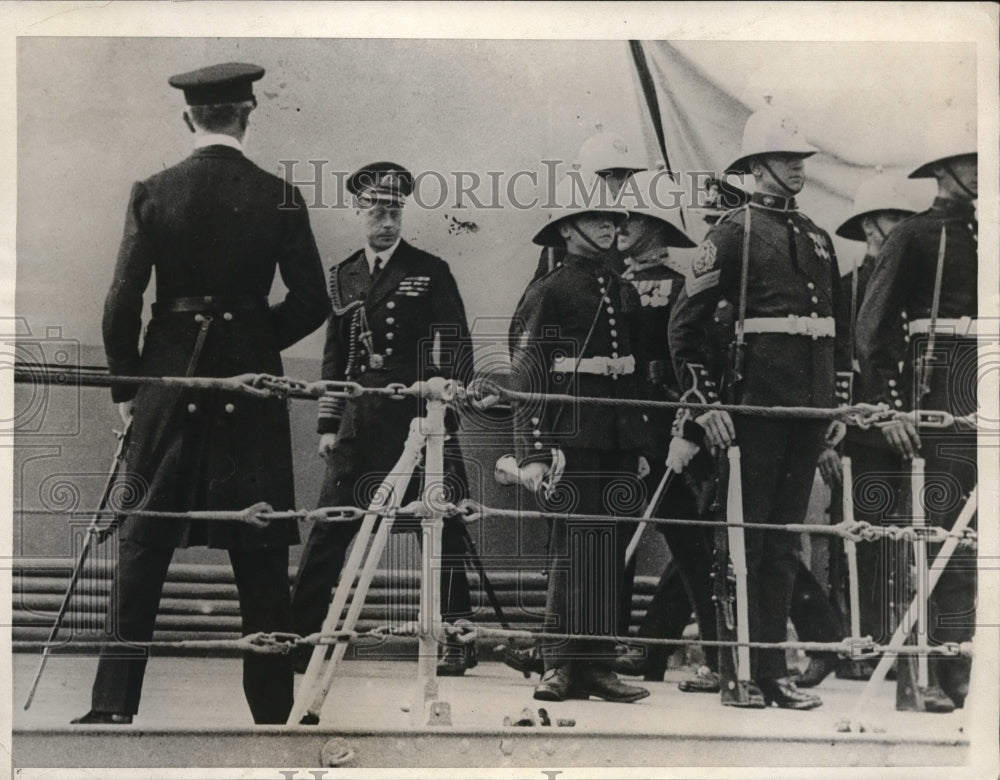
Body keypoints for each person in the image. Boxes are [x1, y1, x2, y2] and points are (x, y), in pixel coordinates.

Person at [76, 62, 331, 725]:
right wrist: (250, 342)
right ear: (247, 115)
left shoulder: (154, 191)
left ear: (188, 118)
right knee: (263, 548)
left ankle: (110, 707)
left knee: (141, 540)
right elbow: (311, 301)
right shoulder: (280, 195)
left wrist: (127, 389)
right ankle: (274, 715)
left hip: (168, 380)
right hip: (250, 389)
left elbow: (120, 304)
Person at [669, 106, 850, 710]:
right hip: (752, 412)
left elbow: (838, 335)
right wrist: (706, 406)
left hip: (805, 416)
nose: (797, 168)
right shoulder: (732, 232)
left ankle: (771, 671)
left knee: (779, 546)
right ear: (756, 166)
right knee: (740, 545)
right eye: (785, 158)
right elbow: (685, 330)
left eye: (801, 159)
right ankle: (737, 673)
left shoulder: (818, 239)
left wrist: (832, 415)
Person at [290, 162, 477, 677]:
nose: (386, 220)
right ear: (357, 212)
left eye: (394, 209)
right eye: (376, 209)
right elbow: (334, 360)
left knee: (442, 528)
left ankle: (455, 638)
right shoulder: (343, 275)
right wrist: (327, 425)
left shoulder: (430, 269)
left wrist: (448, 402)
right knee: (329, 528)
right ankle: (299, 637)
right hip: (358, 420)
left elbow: (457, 342)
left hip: (418, 420)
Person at [508, 175, 650, 703]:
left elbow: (630, 372)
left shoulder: (619, 287)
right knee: (572, 551)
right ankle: (560, 665)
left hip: (614, 438)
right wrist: (538, 453)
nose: (611, 227)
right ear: (568, 229)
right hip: (572, 438)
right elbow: (528, 376)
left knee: (607, 551)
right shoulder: (551, 289)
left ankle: (597, 666)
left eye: (614, 220)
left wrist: (635, 445)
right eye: (597, 219)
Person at [857, 123, 977, 713]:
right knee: (945, 537)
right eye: (969, 162)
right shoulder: (916, 235)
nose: (982, 172)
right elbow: (873, 329)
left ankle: (972, 667)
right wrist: (884, 408)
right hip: (940, 393)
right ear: (942, 171)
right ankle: (941, 670)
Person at [808, 170, 925, 684]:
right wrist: (825, 439)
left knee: (913, 539)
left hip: (916, 432)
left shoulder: (923, 290)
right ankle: (861, 644)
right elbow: (831, 364)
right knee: (860, 544)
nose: (897, 228)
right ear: (869, 225)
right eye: (889, 219)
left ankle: (906, 646)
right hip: (859, 436)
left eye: (905, 218)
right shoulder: (848, 285)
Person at [529, 131, 648, 283]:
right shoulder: (569, 237)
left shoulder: (633, 227)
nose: (623, 183)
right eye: (613, 175)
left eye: (627, 175)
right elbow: (541, 298)